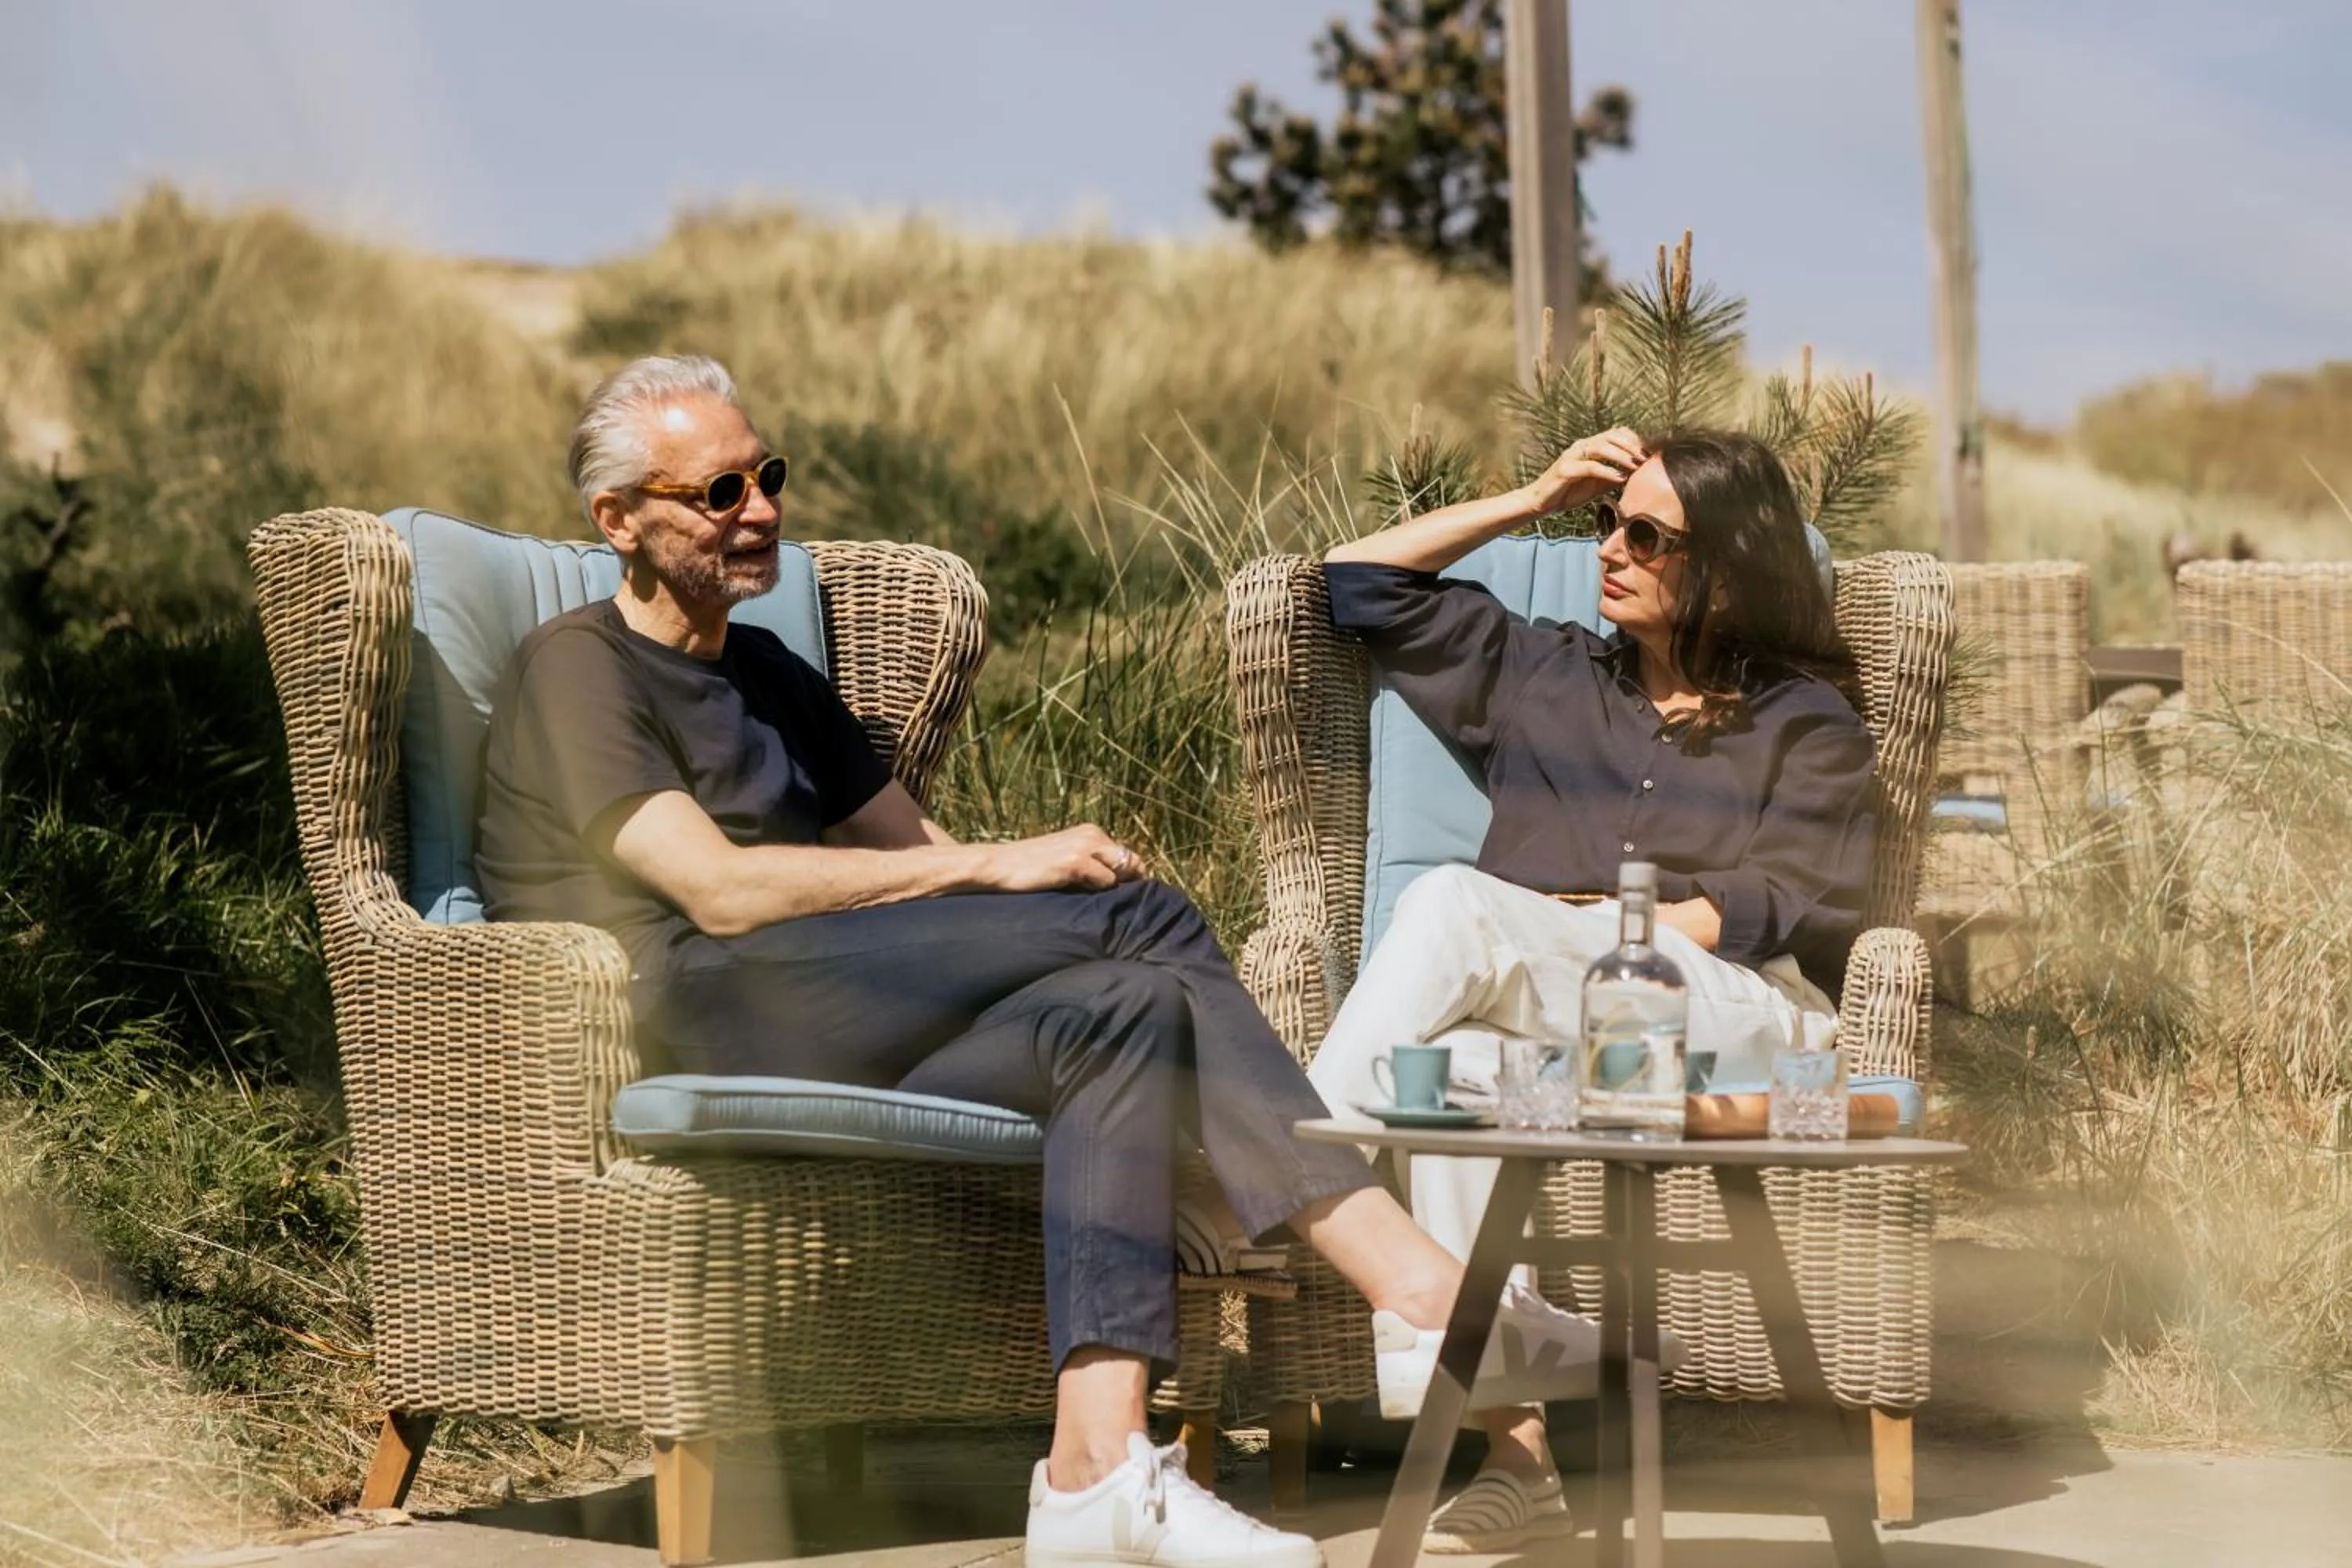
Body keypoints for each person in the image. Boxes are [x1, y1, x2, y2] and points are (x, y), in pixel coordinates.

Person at [474, 355, 1614, 1568]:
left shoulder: (766, 672)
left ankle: (1092, 1477)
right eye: (718, 492)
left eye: (768, 476)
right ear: (619, 521)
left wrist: (1001, 884)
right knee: (1144, 921)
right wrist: (1001, 867)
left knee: (1118, 1010)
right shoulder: (578, 671)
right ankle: (1424, 1291)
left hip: (833, 996)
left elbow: (925, 862)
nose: (760, 510)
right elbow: (723, 891)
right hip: (693, 997)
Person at [1307, 426, 1876, 1552]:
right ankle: (1522, 1440)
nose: (1609, 550)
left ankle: (1287, 1177)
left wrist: (1579, 927)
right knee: (1443, 1078)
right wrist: (1531, 496)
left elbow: (1780, 902)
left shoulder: (1804, 723)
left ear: (1724, 568)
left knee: (1455, 908)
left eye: (1646, 535)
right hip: (1564, 1037)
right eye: (1606, 526)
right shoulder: (1544, 670)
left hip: (1738, 1018)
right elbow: (1354, 581)